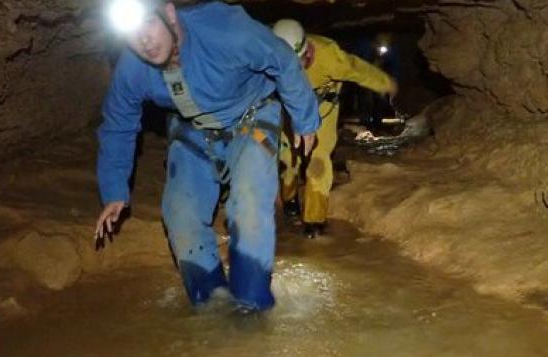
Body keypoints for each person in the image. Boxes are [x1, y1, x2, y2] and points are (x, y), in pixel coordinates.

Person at [94, 0, 321, 313]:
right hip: (192, 128)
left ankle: (250, 306)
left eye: (148, 24)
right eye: (132, 34)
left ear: (170, 14)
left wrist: (305, 119)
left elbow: (281, 59)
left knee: (249, 203)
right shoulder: (132, 68)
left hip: (251, 116)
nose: (143, 40)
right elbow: (118, 125)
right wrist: (114, 189)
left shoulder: (226, 30)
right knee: (180, 214)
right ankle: (212, 306)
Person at [272, 19, 397, 239]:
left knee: (318, 160)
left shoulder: (329, 56)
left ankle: (314, 220)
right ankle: (289, 198)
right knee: (287, 157)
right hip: (289, 107)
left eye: (298, 62)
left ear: (306, 51)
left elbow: (358, 69)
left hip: (322, 108)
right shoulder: (267, 56)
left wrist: (384, 82)